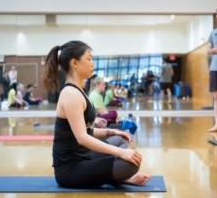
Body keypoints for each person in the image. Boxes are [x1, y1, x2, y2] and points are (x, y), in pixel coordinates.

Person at [44, 40, 151, 188]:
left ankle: (119, 176)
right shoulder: (70, 94)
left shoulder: (79, 91)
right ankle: (120, 177)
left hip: (84, 156)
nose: (92, 63)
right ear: (75, 63)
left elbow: (88, 131)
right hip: (70, 170)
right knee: (130, 163)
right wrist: (120, 153)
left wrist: (112, 131)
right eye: (88, 59)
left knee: (120, 141)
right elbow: (82, 138)